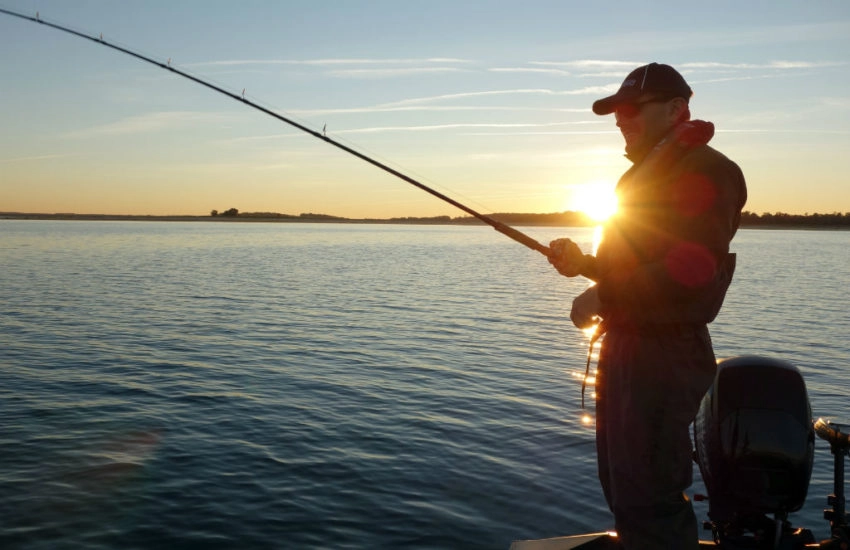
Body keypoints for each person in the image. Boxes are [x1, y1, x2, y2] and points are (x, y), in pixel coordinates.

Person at [548, 63, 747, 549]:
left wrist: (603, 295)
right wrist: (586, 265)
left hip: (663, 355)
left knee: (649, 498)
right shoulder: (644, 175)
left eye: (633, 107)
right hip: (629, 350)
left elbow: (692, 269)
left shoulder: (709, 170)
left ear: (678, 109)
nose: (621, 118)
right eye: (616, 110)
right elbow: (646, 264)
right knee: (623, 490)